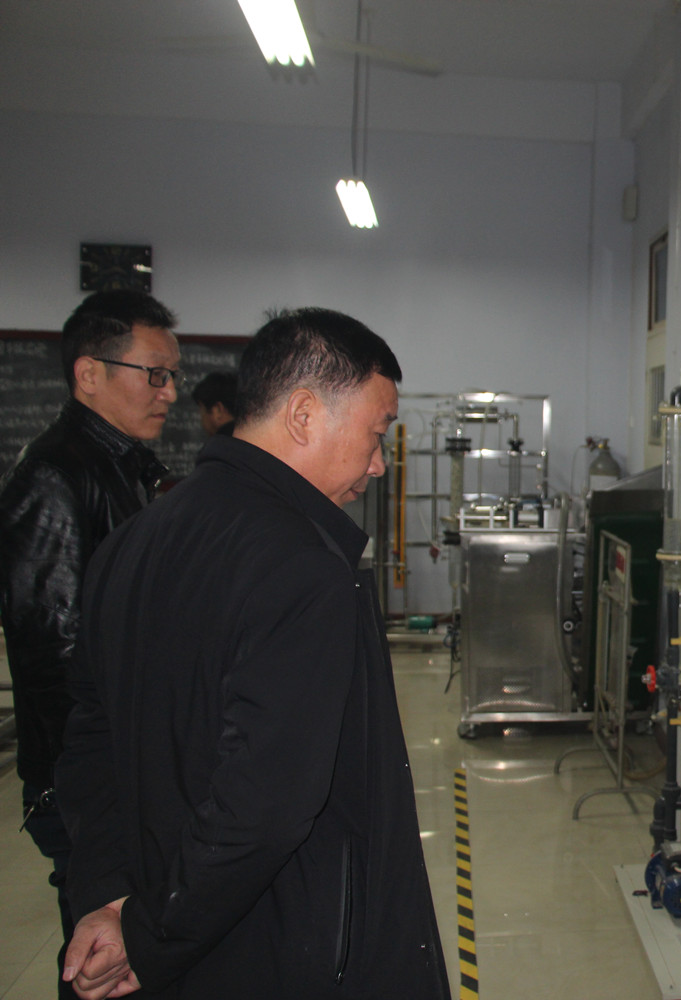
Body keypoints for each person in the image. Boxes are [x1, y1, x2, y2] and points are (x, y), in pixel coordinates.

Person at [56, 308, 449, 1000]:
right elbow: (264, 805)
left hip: (163, 917)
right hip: (278, 947)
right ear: (303, 414)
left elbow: (89, 743)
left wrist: (110, 898)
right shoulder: (305, 567)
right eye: (377, 432)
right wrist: (154, 936)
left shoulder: (131, 543)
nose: (379, 462)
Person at [0, 289, 179, 1000]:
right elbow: (57, 652)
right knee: (101, 961)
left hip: (126, 768)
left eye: (173, 376)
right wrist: (107, 785)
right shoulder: (55, 475)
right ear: (88, 374)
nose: (169, 393)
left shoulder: (121, 466)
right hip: (90, 782)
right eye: (154, 374)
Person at [189, 370, 237, 436]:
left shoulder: (221, 441)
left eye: (202, 411)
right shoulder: (247, 437)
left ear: (218, 410)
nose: (202, 421)